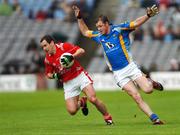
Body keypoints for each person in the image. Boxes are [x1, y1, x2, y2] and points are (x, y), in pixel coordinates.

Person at [73, 5, 164, 125]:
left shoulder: (119, 29)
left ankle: (151, 82)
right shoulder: (99, 36)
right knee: (136, 96)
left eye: (100, 26)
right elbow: (85, 32)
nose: (99, 29)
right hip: (118, 73)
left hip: (130, 67)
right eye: (97, 27)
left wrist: (148, 15)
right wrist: (79, 18)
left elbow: (135, 23)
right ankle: (154, 118)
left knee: (148, 90)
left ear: (107, 24)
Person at [40, 35, 113, 125]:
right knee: (72, 111)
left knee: (93, 99)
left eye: (45, 45)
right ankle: (82, 102)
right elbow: (48, 74)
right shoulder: (47, 59)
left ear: (51, 43)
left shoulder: (64, 47)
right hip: (68, 83)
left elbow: (81, 50)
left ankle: (108, 117)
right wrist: (55, 75)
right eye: (42, 47)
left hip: (79, 76)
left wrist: (72, 56)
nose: (44, 48)